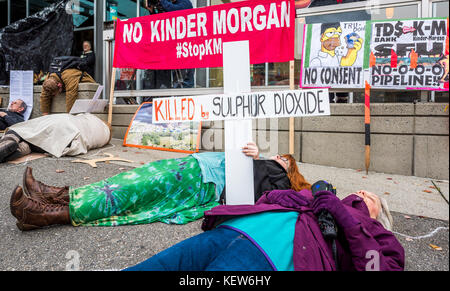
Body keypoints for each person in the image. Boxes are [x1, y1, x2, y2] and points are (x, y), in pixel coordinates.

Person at [10, 142, 311, 231]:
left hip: (200, 180)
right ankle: (54, 196)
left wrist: (260, 161)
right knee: (124, 182)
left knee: (129, 193)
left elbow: (262, 194)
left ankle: (47, 214)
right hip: (194, 168)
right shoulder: (260, 163)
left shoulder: (276, 175)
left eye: (284, 158)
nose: (278, 157)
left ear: (289, 169)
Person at [123, 188, 404, 271]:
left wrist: (343, 213)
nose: (362, 192)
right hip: (232, 231)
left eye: (372, 197)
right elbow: (265, 199)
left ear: (381, 214)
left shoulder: (382, 236)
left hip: (267, 257)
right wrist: (284, 196)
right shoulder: (317, 198)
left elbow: (377, 268)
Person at [0, 113, 111, 163]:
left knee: (22, 129)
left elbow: (78, 116)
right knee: (37, 143)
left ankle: (9, 141)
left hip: (64, 126)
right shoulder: (105, 137)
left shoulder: (90, 117)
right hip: (69, 143)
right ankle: (19, 150)